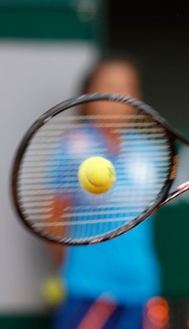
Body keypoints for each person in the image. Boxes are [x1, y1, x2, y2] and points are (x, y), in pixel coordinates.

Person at [49, 56, 162, 329]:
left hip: (142, 289)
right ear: (88, 96)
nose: (118, 98)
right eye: (109, 87)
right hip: (88, 290)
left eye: (127, 88)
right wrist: (78, 272)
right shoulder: (72, 147)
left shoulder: (152, 150)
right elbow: (54, 220)